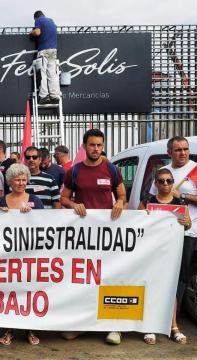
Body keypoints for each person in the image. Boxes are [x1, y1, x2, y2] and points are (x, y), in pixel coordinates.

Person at [60, 129, 126, 345]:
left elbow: (122, 194)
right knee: (84, 279)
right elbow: (64, 197)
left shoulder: (112, 169)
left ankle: (114, 326)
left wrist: (118, 203)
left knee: (110, 278)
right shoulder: (75, 171)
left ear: (103, 145)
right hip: (83, 235)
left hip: (108, 235)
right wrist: (73, 204)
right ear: (84, 146)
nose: (96, 149)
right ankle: (82, 325)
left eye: (99, 145)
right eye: (91, 145)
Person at [148, 136, 197, 341]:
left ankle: (171, 321)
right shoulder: (164, 173)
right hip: (162, 236)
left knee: (180, 277)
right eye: (178, 150)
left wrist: (183, 197)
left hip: (187, 233)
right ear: (169, 152)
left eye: (185, 149)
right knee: (160, 275)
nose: (183, 153)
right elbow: (152, 201)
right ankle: (162, 319)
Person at [139, 168, 191, 345]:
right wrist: (142, 218)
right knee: (152, 287)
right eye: (161, 181)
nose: (166, 184)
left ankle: (173, 326)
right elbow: (136, 225)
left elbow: (188, 225)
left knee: (171, 288)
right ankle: (150, 326)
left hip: (172, 251)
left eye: (169, 181)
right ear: (156, 183)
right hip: (151, 251)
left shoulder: (180, 201)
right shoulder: (147, 201)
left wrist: (187, 223)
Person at [0, 164, 43, 345]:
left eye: (24, 179)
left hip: (30, 255)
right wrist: (0, 216)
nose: (21, 183)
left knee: (28, 291)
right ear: (10, 181)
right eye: (17, 179)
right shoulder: (1, 201)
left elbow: (46, 224)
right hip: (8, 257)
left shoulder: (35, 201)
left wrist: (32, 215)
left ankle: (30, 329)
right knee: (10, 293)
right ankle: (9, 329)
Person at [30, 10, 60, 104]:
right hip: (53, 50)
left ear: (36, 17)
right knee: (52, 73)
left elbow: (38, 32)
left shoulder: (39, 20)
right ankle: (54, 95)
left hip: (44, 50)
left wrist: (31, 32)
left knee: (42, 73)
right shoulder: (51, 21)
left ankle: (43, 96)